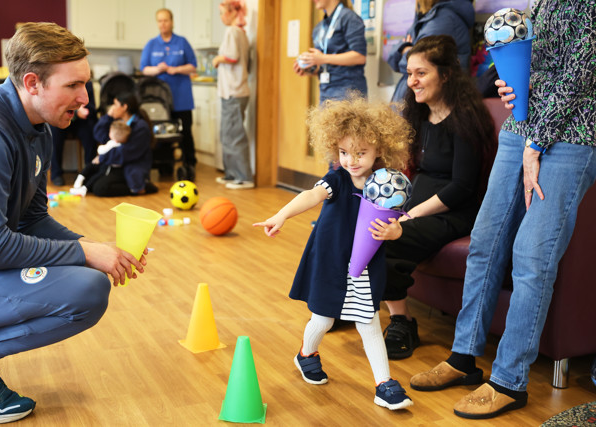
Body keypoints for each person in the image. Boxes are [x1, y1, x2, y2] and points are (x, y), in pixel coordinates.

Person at [411, 1, 596, 419]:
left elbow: (582, 72)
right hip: (521, 125)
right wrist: (512, 83)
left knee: (531, 256)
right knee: (486, 242)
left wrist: (537, 142)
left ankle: (509, 380)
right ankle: (463, 358)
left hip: (574, 133)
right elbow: (543, 63)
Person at [0, 22, 148, 424]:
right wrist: (82, 253)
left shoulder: (38, 126)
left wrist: (98, 249)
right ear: (32, 83)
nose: (85, 99)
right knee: (86, 289)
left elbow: (32, 217)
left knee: (89, 275)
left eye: (86, 84)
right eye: (73, 86)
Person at [253, 96, 415, 410]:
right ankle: (306, 354)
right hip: (331, 261)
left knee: (368, 321)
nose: (351, 160)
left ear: (379, 149)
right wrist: (282, 214)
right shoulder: (337, 180)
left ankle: (384, 383)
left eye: (360, 153)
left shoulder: (387, 184)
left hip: (366, 266)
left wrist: (395, 231)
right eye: (343, 152)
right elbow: (311, 195)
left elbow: (397, 223)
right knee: (323, 319)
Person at [381, 35, 496, 360]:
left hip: (454, 212)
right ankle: (342, 303)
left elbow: (460, 187)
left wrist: (411, 214)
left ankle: (402, 321)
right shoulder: (420, 115)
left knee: (387, 238)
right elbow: (410, 170)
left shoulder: (464, 119)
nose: (412, 81)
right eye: (409, 73)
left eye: (421, 73)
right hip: (416, 206)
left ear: (445, 74)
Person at [140, 8, 198, 179]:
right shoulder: (152, 44)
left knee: (185, 132)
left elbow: (193, 66)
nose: (163, 24)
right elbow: (144, 69)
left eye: (165, 20)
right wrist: (158, 69)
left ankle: (190, 165)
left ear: (172, 22)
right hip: (160, 100)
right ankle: (165, 165)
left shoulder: (182, 42)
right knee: (162, 132)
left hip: (182, 98)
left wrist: (176, 69)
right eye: (159, 21)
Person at [387, 0, 474, 104]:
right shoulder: (426, 16)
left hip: (431, 102)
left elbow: (420, 62)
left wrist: (405, 49)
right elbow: (392, 55)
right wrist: (406, 48)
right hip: (415, 101)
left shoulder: (444, 19)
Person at [212, 0, 253, 190]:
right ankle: (231, 173)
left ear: (231, 12)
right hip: (234, 91)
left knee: (234, 135)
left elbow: (232, 57)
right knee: (228, 134)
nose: (221, 17)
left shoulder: (232, 32)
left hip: (234, 92)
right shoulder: (241, 33)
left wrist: (218, 59)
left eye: (222, 13)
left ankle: (244, 177)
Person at [295, 0, 367, 105]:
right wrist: (308, 69)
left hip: (348, 92)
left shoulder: (349, 18)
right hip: (326, 92)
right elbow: (324, 64)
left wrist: (322, 58)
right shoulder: (319, 28)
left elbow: (359, 57)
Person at [89, 92, 157, 197]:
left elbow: (127, 152)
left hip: (131, 167)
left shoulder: (140, 127)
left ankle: (141, 188)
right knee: (90, 181)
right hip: (116, 164)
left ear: (124, 107)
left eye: (115, 104)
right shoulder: (118, 123)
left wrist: (103, 157)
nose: (112, 108)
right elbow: (99, 135)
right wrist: (107, 116)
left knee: (100, 188)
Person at [49, 80, 99, 186]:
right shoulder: (59, 82)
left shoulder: (87, 83)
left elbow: (91, 107)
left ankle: (89, 173)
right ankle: (56, 174)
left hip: (81, 121)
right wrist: (76, 111)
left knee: (90, 130)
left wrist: (85, 112)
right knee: (54, 132)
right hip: (62, 117)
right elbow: (55, 105)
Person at [70, 120, 131, 197]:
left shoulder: (113, 144)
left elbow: (101, 151)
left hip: (109, 167)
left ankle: (84, 186)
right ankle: (82, 183)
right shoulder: (122, 146)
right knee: (93, 169)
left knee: (97, 175)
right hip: (107, 165)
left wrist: (100, 148)